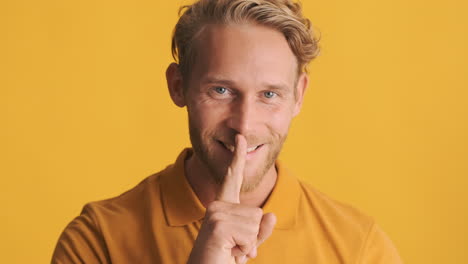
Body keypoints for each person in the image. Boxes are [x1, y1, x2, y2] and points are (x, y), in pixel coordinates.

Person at [52, 0, 403, 263]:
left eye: (269, 94)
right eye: (221, 90)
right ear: (179, 86)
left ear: (298, 97)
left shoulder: (360, 247)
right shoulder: (98, 241)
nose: (244, 125)